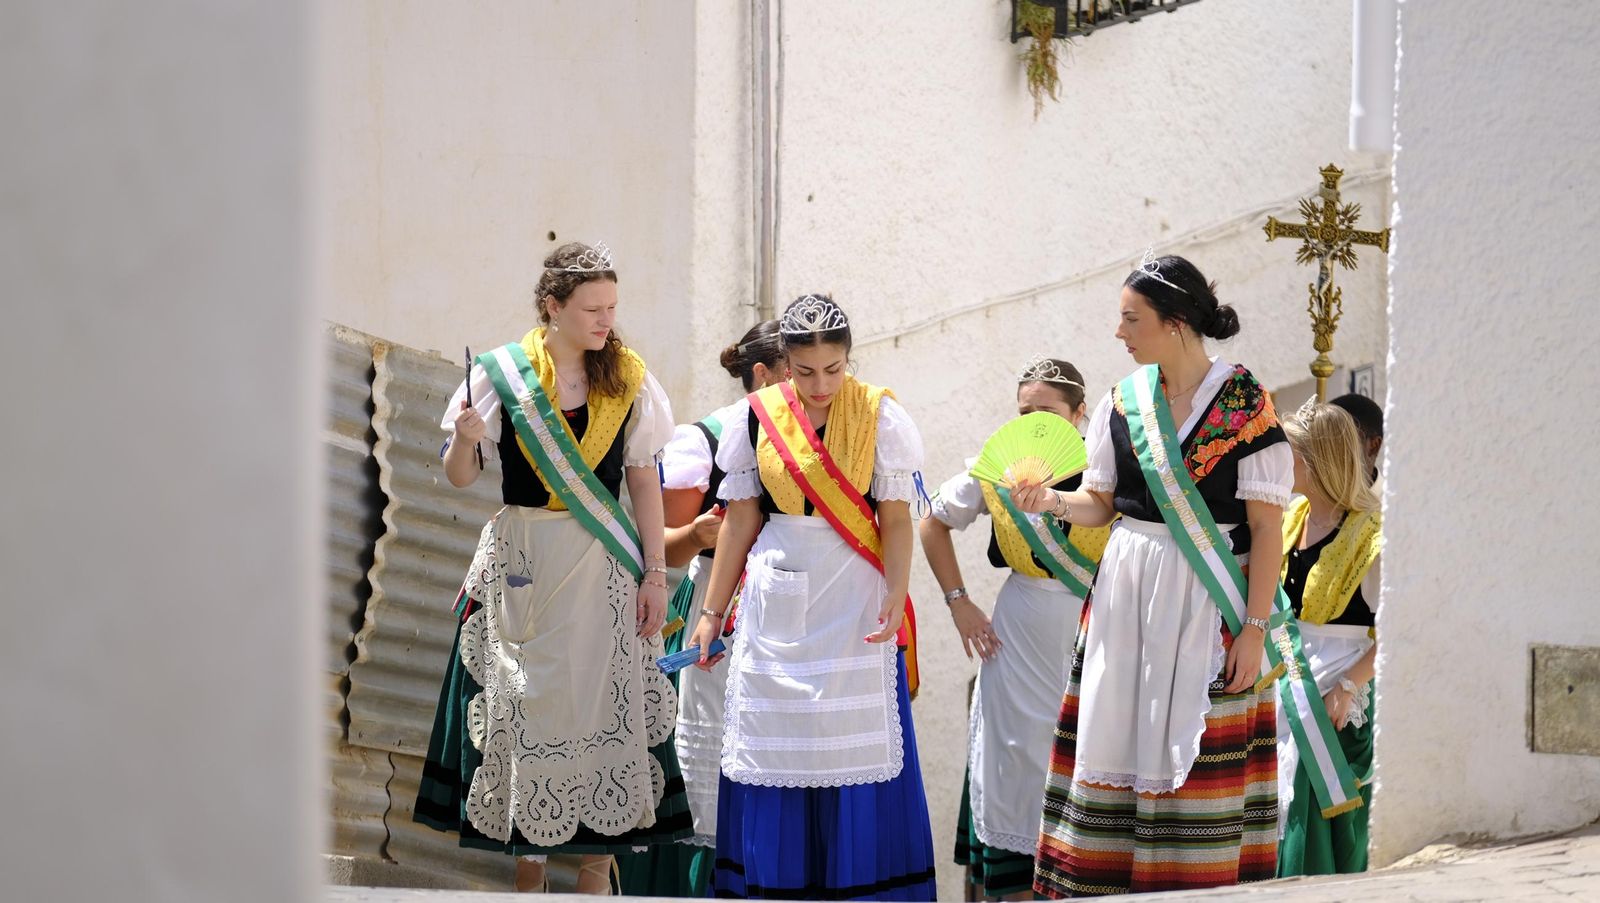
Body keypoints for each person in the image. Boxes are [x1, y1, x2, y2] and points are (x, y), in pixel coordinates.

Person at [412, 241, 690, 894]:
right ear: (553, 306)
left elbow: (644, 480)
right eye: (593, 308)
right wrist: (467, 437)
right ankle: (528, 873)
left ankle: (596, 874)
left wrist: (655, 574)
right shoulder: (502, 375)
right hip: (525, 564)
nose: (606, 320)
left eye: (613, 307)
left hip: (603, 567)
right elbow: (458, 476)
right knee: (525, 708)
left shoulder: (630, 378)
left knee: (599, 712)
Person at [1015, 252, 1294, 896]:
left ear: (1174, 323)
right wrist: (1053, 501)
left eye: (1130, 318)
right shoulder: (1123, 401)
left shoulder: (1244, 402)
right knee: (1117, 736)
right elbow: (1101, 503)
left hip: (1207, 597)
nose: (1119, 333)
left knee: (1197, 751)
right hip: (1126, 596)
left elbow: (1266, 528)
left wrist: (1253, 629)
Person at [686, 294, 938, 900]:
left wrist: (897, 595)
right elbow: (741, 521)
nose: (821, 384)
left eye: (834, 368)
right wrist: (711, 614)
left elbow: (896, 519)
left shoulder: (880, 415)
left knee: (854, 745)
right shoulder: (755, 419)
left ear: (849, 359)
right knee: (775, 750)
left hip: (855, 595)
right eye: (805, 372)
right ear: (784, 364)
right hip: (778, 595)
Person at [920, 355, 1112, 901]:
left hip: (1093, 629)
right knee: (1017, 758)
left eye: (1047, 412)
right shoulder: (995, 470)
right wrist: (959, 602)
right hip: (1020, 632)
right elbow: (932, 522)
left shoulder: (1109, 470)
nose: (1034, 425)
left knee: (1089, 762)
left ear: (1078, 415)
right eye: (1024, 412)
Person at [616, 320, 786, 897]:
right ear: (763, 374)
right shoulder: (706, 441)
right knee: (706, 759)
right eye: (799, 367)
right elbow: (653, 542)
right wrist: (698, 532)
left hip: (782, 620)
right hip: (711, 614)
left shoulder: (819, 439)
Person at [1275, 401, 1383, 876]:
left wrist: (1349, 686)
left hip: (1337, 684)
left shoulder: (1371, 535)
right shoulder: (1291, 516)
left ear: (1317, 461)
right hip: (1286, 676)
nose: (1281, 460)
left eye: (1290, 451)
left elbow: (1397, 630)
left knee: (1312, 808)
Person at [1327, 393, 1383, 484]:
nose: (1329, 455)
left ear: (1374, 446)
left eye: (1342, 443)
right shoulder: (1308, 498)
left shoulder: (1393, 498)